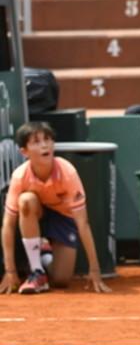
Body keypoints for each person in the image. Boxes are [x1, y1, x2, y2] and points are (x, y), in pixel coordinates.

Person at [1, 122, 111, 296]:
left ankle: (44, 254)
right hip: (35, 215)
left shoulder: (68, 172)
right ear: (24, 152)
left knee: (61, 280)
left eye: (48, 139)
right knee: (26, 200)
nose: (45, 145)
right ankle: (36, 271)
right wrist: (10, 272)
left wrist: (95, 270)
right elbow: (8, 225)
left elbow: (82, 223)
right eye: (36, 141)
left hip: (63, 218)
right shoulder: (20, 176)